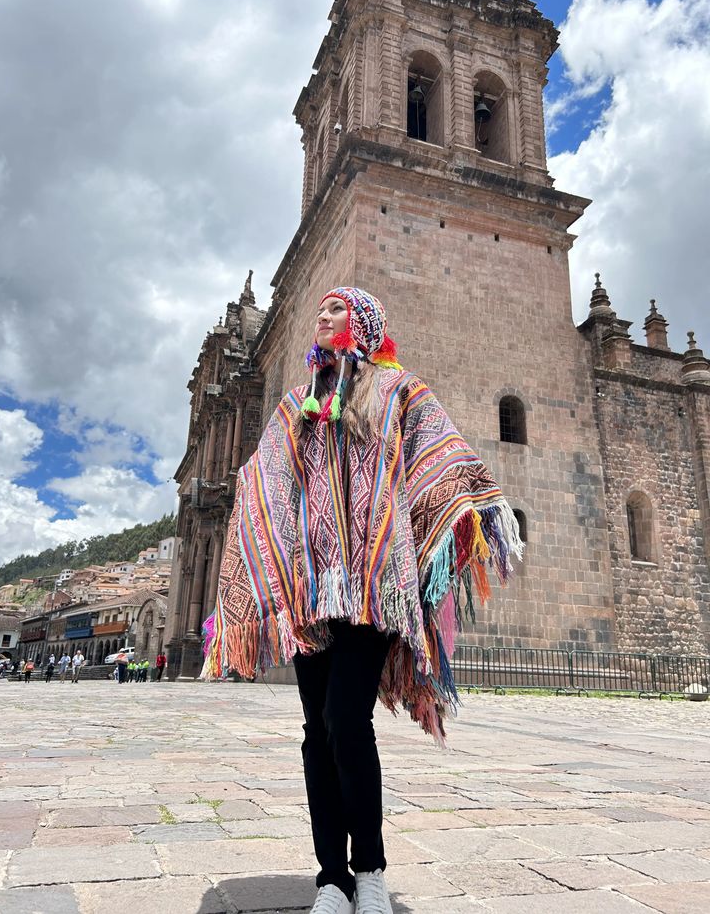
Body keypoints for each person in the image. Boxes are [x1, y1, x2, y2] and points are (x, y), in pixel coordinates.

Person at [201, 288, 523, 914]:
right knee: (314, 732)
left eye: (337, 310)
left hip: (375, 582)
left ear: (364, 322)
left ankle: (369, 870)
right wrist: (255, 514)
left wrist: (476, 502)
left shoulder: (399, 390)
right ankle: (330, 879)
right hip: (310, 587)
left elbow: (440, 455)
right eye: (319, 311)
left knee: (347, 720)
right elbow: (267, 476)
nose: (322, 318)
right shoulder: (299, 403)